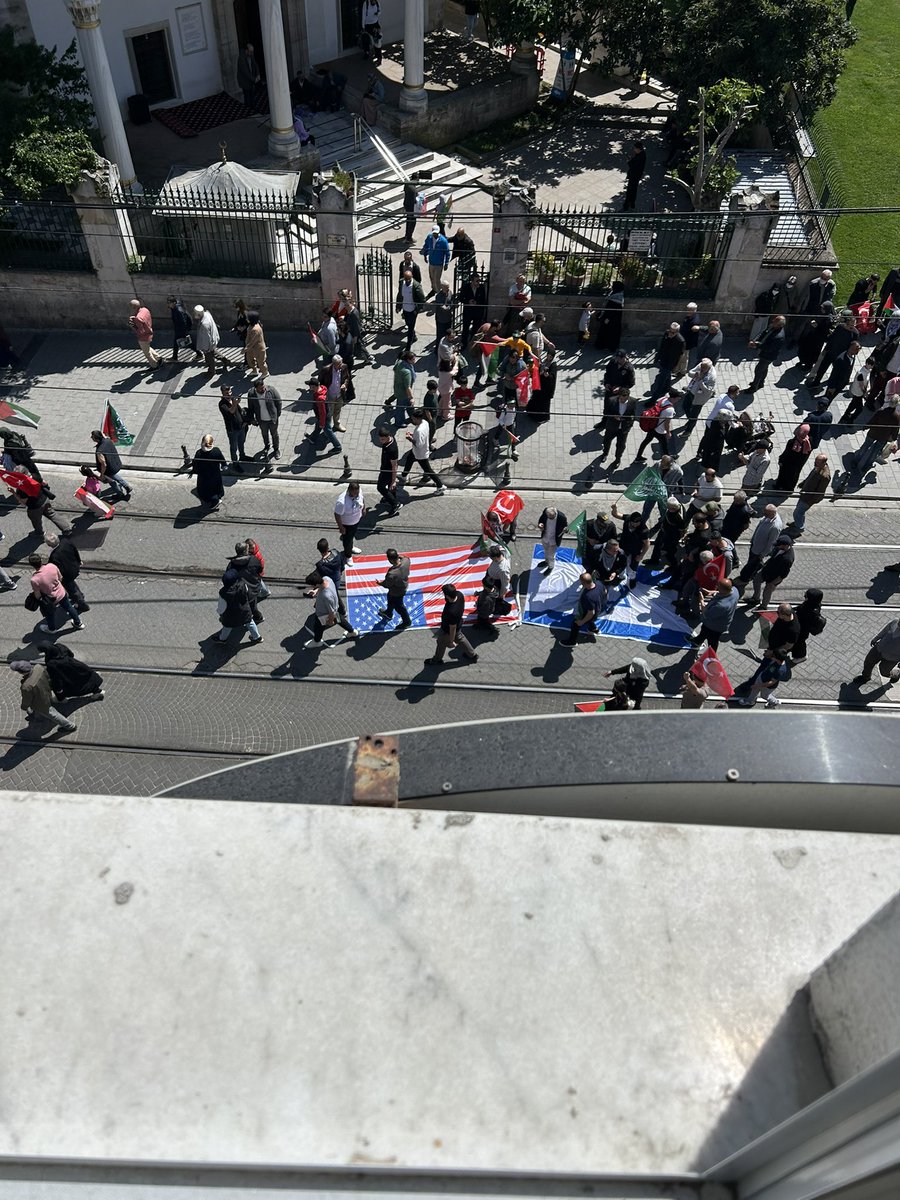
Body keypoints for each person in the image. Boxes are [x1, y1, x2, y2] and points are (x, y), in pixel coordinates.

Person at [10, 659, 77, 734]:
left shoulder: (26, 686)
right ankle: (35, 713)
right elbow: (48, 678)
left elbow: (27, 700)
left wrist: (24, 707)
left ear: (20, 672)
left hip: (41, 702)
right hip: (46, 691)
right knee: (46, 709)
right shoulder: (39, 667)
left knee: (52, 713)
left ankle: (70, 726)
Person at [29, 553, 84, 633]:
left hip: (50, 599)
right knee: (69, 607)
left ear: (32, 565)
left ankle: (51, 629)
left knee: (49, 614)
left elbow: (37, 595)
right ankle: (78, 623)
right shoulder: (52, 566)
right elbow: (60, 578)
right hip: (61, 593)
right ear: (41, 560)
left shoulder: (34, 579)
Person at [737, 504, 783, 586]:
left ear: (772, 513)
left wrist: (762, 554)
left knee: (750, 566)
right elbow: (759, 527)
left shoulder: (775, 526)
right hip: (755, 545)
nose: (764, 515)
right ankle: (757, 568)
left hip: (759, 551)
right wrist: (753, 539)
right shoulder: (767, 517)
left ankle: (745, 579)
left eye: (766, 514)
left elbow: (771, 544)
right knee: (752, 563)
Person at [399, 410, 445, 491]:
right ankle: (404, 476)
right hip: (420, 450)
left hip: (420, 454)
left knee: (428, 470)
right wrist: (413, 435)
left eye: (413, 419)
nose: (412, 421)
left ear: (417, 419)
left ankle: (440, 486)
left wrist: (410, 438)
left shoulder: (419, 431)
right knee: (409, 460)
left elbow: (419, 445)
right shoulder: (425, 422)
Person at [749, 533, 795, 609]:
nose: (777, 546)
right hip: (766, 571)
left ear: (786, 545)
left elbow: (783, 574)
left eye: (779, 545)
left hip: (774, 577)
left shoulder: (788, 559)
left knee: (767, 591)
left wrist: (773, 583)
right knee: (756, 580)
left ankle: (763, 606)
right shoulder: (779, 548)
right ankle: (756, 598)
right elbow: (772, 558)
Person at [851, 616, 900, 687]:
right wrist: (876, 638)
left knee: (884, 672)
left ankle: (896, 675)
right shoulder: (895, 622)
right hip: (878, 649)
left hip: (891, 659)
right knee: (868, 662)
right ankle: (865, 677)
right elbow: (885, 630)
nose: (898, 625)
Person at [46, 531, 88, 612]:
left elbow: (54, 568)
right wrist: (79, 561)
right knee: (73, 586)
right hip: (74, 567)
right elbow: (75, 550)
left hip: (67, 575)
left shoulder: (54, 556)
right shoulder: (65, 542)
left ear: (49, 545)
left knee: (72, 589)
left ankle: (82, 604)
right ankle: (79, 596)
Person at [690, 577, 737, 649]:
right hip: (719, 622)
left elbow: (706, 613)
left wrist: (701, 600)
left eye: (718, 586)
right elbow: (724, 592)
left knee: (712, 642)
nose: (716, 587)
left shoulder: (721, 606)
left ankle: (711, 656)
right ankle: (697, 641)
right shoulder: (735, 591)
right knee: (704, 631)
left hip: (715, 626)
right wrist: (711, 592)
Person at [216, 575, 262, 646]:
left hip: (231, 615)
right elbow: (247, 593)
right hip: (244, 610)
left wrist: (220, 614)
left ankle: (222, 639)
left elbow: (221, 608)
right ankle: (257, 637)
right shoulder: (242, 584)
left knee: (227, 627)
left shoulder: (223, 593)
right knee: (250, 623)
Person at [563, 572, 607, 646]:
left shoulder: (588, 596)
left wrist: (582, 622)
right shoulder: (599, 584)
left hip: (588, 613)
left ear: (583, 583)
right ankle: (593, 629)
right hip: (598, 609)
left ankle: (571, 642)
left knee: (575, 624)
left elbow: (590, 613)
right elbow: (605, 592)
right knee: (591, 620)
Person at [790, 454, 830, 533]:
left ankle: (799, 528)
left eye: (817, 462)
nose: (815, 463)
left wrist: (810, 501)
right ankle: (798, 523)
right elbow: (810, 477)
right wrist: (803, 483)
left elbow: (820, 492)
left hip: (808, 499)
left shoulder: (825, 476)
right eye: (815, 461)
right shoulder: (817, 467)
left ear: (823, 463)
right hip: (805, 494)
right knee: (800, 512)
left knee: (798, 512)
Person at [746, 314, 786, 392]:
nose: (772, 321)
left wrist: (756, 345)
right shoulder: (773, 326)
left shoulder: (779, 337)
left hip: (768, 356)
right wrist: (755, 340)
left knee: (758, 370)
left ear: (779, 325)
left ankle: (754, 387)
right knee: (764, 368)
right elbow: (763, 333)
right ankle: (761, 382)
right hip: (764, 352)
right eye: (774, 320)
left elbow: (768, 348)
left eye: (775, 321)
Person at [247, 376, 282, 459]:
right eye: (260, 389)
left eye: (263, 387)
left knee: (274, 434)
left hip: (272, 419)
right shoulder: (252, 394)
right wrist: (252, 419)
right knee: (264, 434)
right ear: (256, 389)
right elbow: (250, 408)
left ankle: (276, 449)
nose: (262, 389)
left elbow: (279, 402)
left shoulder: (271, 390)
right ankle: (267, 446)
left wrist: (277, 414)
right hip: (262, 420)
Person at [91, 430, 132, 500]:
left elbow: (104, 464)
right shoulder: (107, 440)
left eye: (92, 436)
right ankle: (126, 486)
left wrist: (102, 475)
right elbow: (103, 435)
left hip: (108, 469)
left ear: (96, 438)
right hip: (115, 464)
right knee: (114, 475)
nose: (91, 437)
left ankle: (120, 494)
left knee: (112, 482)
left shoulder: (99, 451)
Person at [649, 323, 685, 401]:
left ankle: (653, 399)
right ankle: (667, 388)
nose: (670, 334)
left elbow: (681, 355)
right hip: (663, 359)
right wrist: (657, 356)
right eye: (670, 331)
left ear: (677, 332)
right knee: (666, 376)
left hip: (670, 363)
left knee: (661, 381)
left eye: (673, 332)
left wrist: (677, 366)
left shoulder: (680, 341)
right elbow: (662, 345)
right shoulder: (666, 334)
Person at [376, 548, 411, 627]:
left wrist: (380, 583)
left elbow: (387, 584)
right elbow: (406, 558)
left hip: (396, 592)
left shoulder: (392, 574)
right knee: (390, 599)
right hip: (403, 587)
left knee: (399, 607)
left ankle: (407, 622)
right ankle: (388, 613)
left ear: (390, 560)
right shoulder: (406, 561)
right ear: (397, 556)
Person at [635, 391, 675, 460]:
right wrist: (668, 433)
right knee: (664, 445)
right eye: (678, 398)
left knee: (645, 441)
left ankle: (638, 457)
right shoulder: (670, 410)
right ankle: (668, 460)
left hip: (652, 426)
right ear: (675, 398)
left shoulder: (663, 399)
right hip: (660, 430)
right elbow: (666, 424)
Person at [772, 424, 812, 493]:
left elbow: (786, 453)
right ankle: (789, 489)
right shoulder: (808, 442)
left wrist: (781, 460)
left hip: (787, 463)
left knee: (782, 474)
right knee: (793, 477)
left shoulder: (792, 442)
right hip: (797, 465)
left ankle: (778, 486)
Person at [681, 358, 717, 432]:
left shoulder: (711, 377)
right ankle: (690, 420)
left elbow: (707, 391)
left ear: (709, 368)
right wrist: (695, 374)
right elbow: (690, 372)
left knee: (694, 415)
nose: (702, 369)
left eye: (704, 368)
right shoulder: (701, 365)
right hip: (691, 391)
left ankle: (688, 430)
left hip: (699, 398)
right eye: (701, 367)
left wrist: (701, 381)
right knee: (685, 406)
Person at [192, 434, 226, 510]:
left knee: (206, 491)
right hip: (215, 475)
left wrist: (195, 471)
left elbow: (195, 465)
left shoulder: (199, 453)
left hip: (204, 477)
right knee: (216, 487)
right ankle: (218, 495)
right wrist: (224, 466)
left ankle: (215, 500)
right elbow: (222, 460)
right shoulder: (216, 451)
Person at [334, 481, 366, 562]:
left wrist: (364, 508)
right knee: (347, 540)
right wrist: (341, 527)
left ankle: (350, 547)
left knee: (351, 536)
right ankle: (348, 555)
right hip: (347, 524)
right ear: (349, 490)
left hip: (356, 520)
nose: (356, 494)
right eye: (354, 493)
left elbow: (362, 498)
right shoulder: (342, 502)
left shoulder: (359, 492)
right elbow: (337, 514)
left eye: (357, 492)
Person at [791, 588, 825, 663]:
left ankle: (801, 656)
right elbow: (801, 607)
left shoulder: (812, 612)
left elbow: (803, 616)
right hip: (800, 627)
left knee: (799, 643)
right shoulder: (811, 604)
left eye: (806, 596)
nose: (804, 597)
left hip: (802, 630)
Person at [128, 298, 163, 369]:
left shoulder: (138, 318)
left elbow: (140, 332)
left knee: (147, 353)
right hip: (149, 332)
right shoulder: (145, 310)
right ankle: (158, 358)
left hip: (143, 337)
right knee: (147, 348)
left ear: (133, 308)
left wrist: (132, 326)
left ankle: (154, 366)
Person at [218, 384, 247, 471]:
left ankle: (242, 456)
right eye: (227, 393)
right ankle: (235, 463)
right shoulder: (222, 404)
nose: (229, 394)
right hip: (232, 430)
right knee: (234, 447)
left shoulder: (233, 399)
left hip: (241, 427)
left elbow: (239, 410)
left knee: (241, 443)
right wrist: (235, 403)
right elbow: (231, 412)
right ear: (222, 394)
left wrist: (245, 420)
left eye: (230, 392)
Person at [396, 269, 425, 349]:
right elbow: (399, 295)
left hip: (413, 311)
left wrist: (418, 309)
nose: (407, 280)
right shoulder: (401, 282)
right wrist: (398, 306)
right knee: (408, 324)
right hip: (405, 309)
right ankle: (414, 336)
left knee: (410, 328)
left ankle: (408, 346)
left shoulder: (416, 285)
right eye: (406, 279)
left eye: (409, 279)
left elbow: (422, 299)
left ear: (412, 277)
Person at [376, 426, 402, 515]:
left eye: (382, 439)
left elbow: (394, 465)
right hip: (385, 469)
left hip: (387, 471)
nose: (380, 441)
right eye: (380, 439)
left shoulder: (392, 449)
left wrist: (394, 480)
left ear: (388, 437)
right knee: (390, 487)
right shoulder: (388, 441)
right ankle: (391, 498)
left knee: (380, 487)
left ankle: (395, 504)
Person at [595, 281, 625, 352]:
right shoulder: (616, 295)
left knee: (607, 333)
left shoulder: (616, 299)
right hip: (611, 320)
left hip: (610, 320)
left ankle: (605, 346)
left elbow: (612, 311)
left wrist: (607, 318)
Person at [421, 224, 450, 296]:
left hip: (439, 264)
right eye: (434, 233)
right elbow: (426, 246)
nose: (435, 235)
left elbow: (447, 252)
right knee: (431, 277)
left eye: (436, 233)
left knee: (437, 279)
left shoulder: (443, 241)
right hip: (431, 262)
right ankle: (434, 288)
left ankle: (439, 292)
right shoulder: (429, 237)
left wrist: (446, 263)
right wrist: (425, 254)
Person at [390, 349, 417, 423]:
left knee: (409, 405)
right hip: (403, 393)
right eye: (413, 359)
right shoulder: (407, 372)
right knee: (400, 408)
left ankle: (412, 416)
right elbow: (407, 387)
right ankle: (399, 422)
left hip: (398, 388)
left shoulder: (400, 362)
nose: (415, 360)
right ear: (408, 360)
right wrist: (412, 397)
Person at [537, 506, 567, 572]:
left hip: (554, 540)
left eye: (552, 517)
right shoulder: (545, 512)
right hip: (545, 537)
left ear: (555, 514)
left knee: (551, 555)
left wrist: (565, 530)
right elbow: (541, 520)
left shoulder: (562, 517)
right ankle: (546, 562)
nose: (550, 518)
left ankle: (551, 566)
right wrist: (540, 525)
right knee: (545, 551)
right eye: (549, 517)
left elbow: (566, 527)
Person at [167, 295, 193, 363]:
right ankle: (174, 357)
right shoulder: (174, 308)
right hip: (179, 329)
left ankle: (199, 353)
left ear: (174, 303)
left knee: (186, 342)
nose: (168, 304)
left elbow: (183, 322)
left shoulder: (178, 310)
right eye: (168, 303)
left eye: (169, 303)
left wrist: (183, 332)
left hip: (181, 329)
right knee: (179, 342)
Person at [622, 140, 647, 211]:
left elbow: (634, 166)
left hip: (634, 175)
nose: (634, 150)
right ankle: (631, 203)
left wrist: (630, 162)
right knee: (633, 190)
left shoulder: (640, 157)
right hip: (636, 175)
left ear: (638, 149)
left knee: (630, 190)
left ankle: (627, 204)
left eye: (635, 148)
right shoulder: (641, 155)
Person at [236, 42, 261, 109]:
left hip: (251, 81)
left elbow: (255, 65)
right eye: (250, 52)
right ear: (246, 50)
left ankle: (253, 108)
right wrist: (254, 79)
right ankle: (248, 109)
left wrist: (258, 74)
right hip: (244, 81)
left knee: (252, 95)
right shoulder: (241, 58)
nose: (252, 53)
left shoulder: (251, 56)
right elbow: (245, 73)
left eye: (252, 52)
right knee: (247, 97)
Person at [243, 311, 268, 377]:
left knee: (260, 362)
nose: (246, 319)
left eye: (248, 318)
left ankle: (265, 372)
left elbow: (253, 341)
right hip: (251, 348)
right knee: (250, 360)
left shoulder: (255, 329)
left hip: (258, 348)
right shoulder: (251, 326)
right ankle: (254, 370)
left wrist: (246, 349)